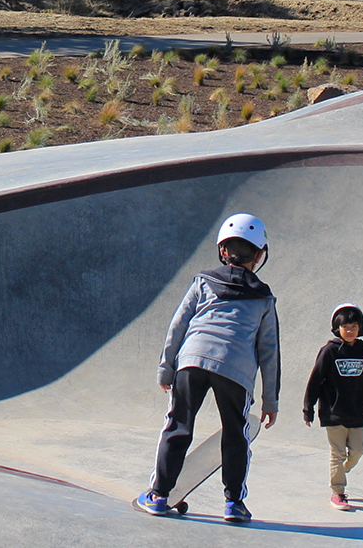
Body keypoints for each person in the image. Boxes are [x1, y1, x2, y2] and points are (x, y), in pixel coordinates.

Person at [135, 213, 281, 524]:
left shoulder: (203, 282)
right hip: (236, 370)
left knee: (178, 424)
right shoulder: (264, 298)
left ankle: (159, 495)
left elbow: (179, 325)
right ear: (259, 255)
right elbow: (269, 352)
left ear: (222, 251)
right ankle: (234, 504)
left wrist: (166, 368)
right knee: (235, 434)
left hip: (193, 360)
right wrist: (271, 400)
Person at [303, 303, 363, 510]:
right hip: (333, 413)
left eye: (354, 326)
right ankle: (338, 492)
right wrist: (308, 408)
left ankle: (341, 471)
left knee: (357, 451)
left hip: (356, 413)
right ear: (338, 328)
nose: (350, 330)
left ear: (360, 328)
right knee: (337, 453)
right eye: (346, 327)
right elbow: (316, 380)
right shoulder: (329, 351)